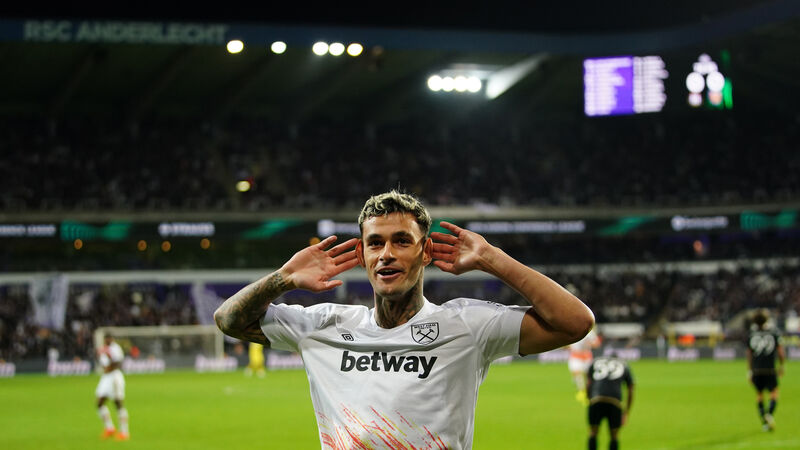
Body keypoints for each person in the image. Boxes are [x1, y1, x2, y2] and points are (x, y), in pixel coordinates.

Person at [214, 190, 595, 449]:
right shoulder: (323, 327)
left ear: (425, 252)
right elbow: (229, 320)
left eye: (401, 241)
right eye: (375, 243)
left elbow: (575, 322)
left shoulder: (467, 326)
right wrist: (282, 279)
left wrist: (492, 259)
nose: (386, 254)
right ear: (362, 256)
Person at [746, 308, 785, 431]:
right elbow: (780, 352)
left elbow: (749, 354)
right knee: (774, 392)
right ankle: (769, 415)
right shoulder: (774, 333)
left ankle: (764, 422)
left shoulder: (752, 334)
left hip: (756, 370)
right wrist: (782, 365)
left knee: (759, 394)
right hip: (770, 369)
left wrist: (749, 371)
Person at [586, 353, 634, 450]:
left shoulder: (596, 362)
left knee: (593, 432)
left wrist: (589, 399)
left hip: (596, 399)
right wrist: (626, 411)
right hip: (615, 401)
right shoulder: (624, 364)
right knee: (614, 435)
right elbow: (630, 389)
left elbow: (588, 384)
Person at [95, 333, 129, 440]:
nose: (107, 340)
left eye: (108, 339)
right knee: (99, 403)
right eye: (106, 339)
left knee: (118, 403)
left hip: (114, 377)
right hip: (106, 377)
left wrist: (109, 359)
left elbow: (118, 363)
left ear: (111, 339)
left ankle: (124, 432)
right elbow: (103, 363)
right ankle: (109, 428)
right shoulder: (103, 348)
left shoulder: (116, 348)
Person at [569, 326, 601, 405]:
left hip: (586, 357)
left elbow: (597, 344)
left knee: (588, 376)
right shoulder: (572, 330)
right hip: (575, 356)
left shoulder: (590, 333)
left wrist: (590, 343)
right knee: (577, 373)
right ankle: (581, 391)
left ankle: (588, 392)